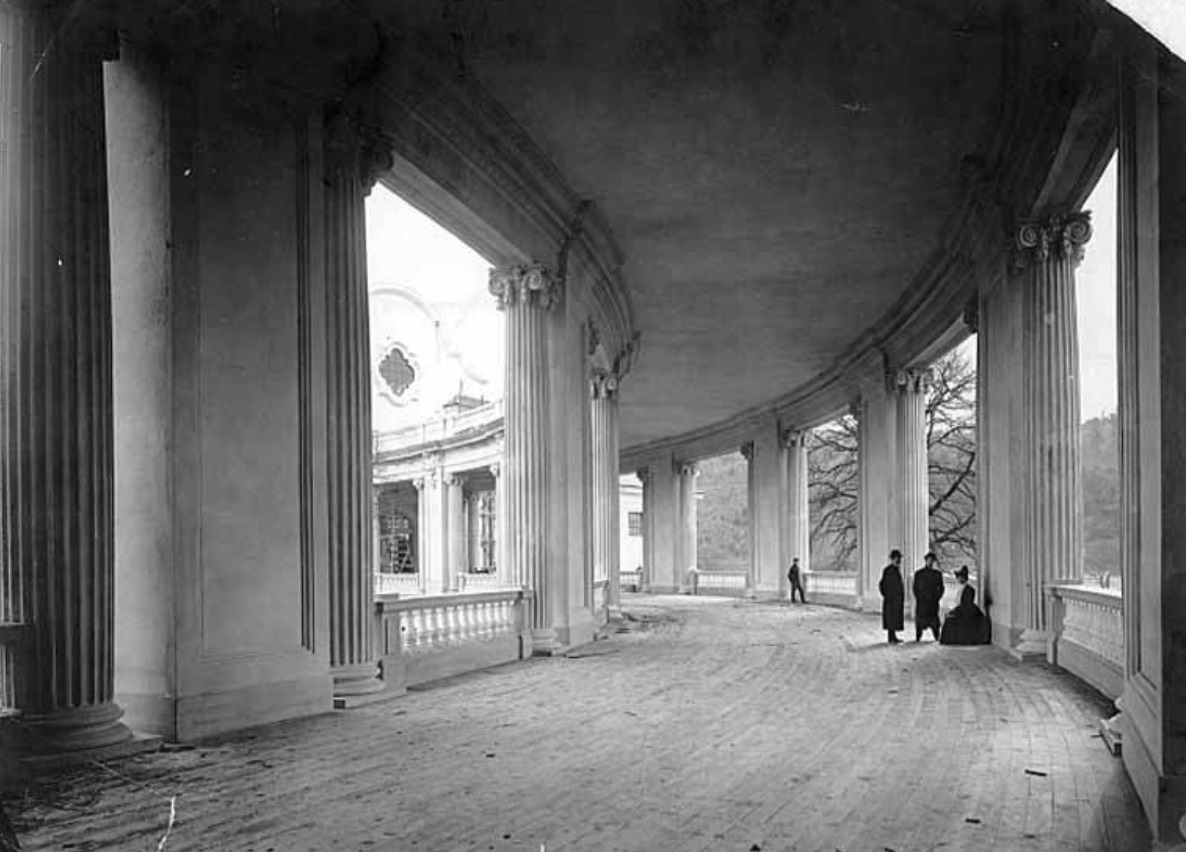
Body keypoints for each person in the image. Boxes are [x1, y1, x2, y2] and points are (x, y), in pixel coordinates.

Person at [940, 565, 991, 645]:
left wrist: (954, 612)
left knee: (950, 621)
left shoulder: (969, 589)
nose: (958, 579)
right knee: (948, 618)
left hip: (967, 614)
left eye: (959, 577)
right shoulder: (961, 589)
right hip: (961, 611)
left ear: (963, 578)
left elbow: (965, 605)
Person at [912, 551, 944, 642]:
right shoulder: (919, 574)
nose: (930, 562)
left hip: (933, 602)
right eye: (929, 560)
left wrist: (937, 598)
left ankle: (937, 636)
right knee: (920, 621)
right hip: (922, 602)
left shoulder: (937, 574)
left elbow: (941, 588)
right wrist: (919, 598)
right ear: (926, 561)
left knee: (934, 621)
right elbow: (915, 588)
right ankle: (918, 637)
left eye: (932, 561)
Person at [879, 549, 905, 644]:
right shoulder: (889, 570)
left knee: (893, 618)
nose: (899, 560)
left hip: (895, 599)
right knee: (891, 618)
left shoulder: (895, 570)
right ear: (893, 559)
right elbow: (882, 585)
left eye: (899, 558)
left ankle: (893, 637)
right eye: (897, 558)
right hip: (891, 599)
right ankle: (891, 638)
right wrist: (887, 595)